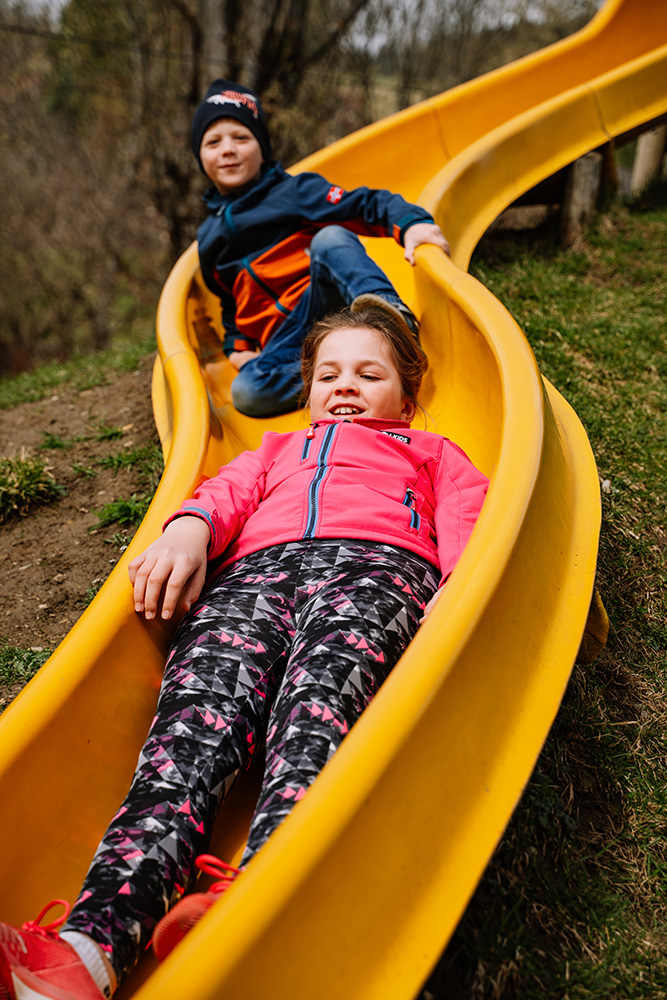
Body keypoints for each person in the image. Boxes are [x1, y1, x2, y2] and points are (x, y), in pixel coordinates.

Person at [0, 309, 488, 1000]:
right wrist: (190, 532)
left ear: (405, 400)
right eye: (328, 374)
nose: (344, 385)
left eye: (368, 373)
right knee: (189, 738)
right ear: (308, 391)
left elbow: (467, 519)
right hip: (250, 579)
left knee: (315, 714)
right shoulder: (273, 450)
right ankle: (89, 948)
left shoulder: (432, 452)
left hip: (374, 571)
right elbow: (222, 496)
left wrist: (458, 584)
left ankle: (265, 895)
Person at [192, 78, 450, 417]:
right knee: (246, 392)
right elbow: (229, 301)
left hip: (326, 304)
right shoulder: (209, 237)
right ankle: (328, 377)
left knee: (329, 238)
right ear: (199, 155)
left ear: (262, 147)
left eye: (241, 137)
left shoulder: (295, 192)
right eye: (213, 142)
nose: (227, 149)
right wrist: (237, 347)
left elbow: (363, 204)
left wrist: (409, 223)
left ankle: (392, 331)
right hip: (288, 344)